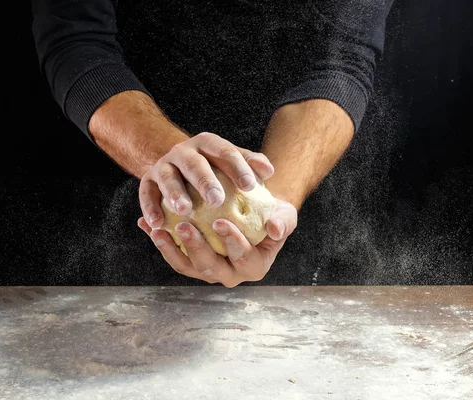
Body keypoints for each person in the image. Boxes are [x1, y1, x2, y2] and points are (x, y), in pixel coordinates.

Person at [30, 0, 394, 287]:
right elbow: (76, 40)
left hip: (288, 194)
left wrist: (269, 205)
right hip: (115, 185)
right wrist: (176, 172)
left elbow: (343, 60)